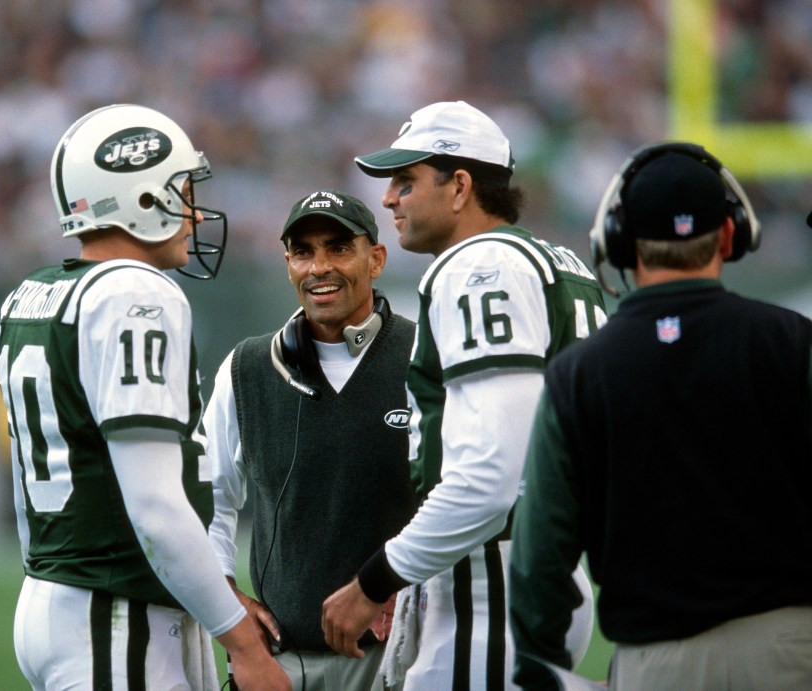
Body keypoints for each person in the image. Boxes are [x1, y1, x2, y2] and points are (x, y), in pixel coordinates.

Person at [0, 103, 289, 691]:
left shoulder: (34, 294)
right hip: (114, 613)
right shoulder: (133, 294)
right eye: (180, 191)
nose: (193, 211)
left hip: (59, 596)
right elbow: (154, 503)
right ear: (143, 199)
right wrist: (240, 639)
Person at [320, 100, 605, 690]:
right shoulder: (559, 262)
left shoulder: (481, 267)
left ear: (460, 187)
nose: (389, 199)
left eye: (405, 180)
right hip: (543, 569)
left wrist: (376, 580)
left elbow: (491, 476)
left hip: (493, 583)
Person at [508, 142, 812, 690]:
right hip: (792, 649)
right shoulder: (793, 341)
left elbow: (541, 550)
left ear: (619, 242)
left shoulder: (581, 371)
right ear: (729, 233)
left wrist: (541, 657)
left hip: (657, 663)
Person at [205, 189, 418, 690]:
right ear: (288, 265)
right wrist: (225, 595)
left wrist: (410, 584)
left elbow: (466, 495)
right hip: (281, 663)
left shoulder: (425, 355)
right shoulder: (246, 368)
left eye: (339, 248)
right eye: (303, 252)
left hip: (401, 660)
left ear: (377, 258)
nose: (319, 267)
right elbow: (207, 495)